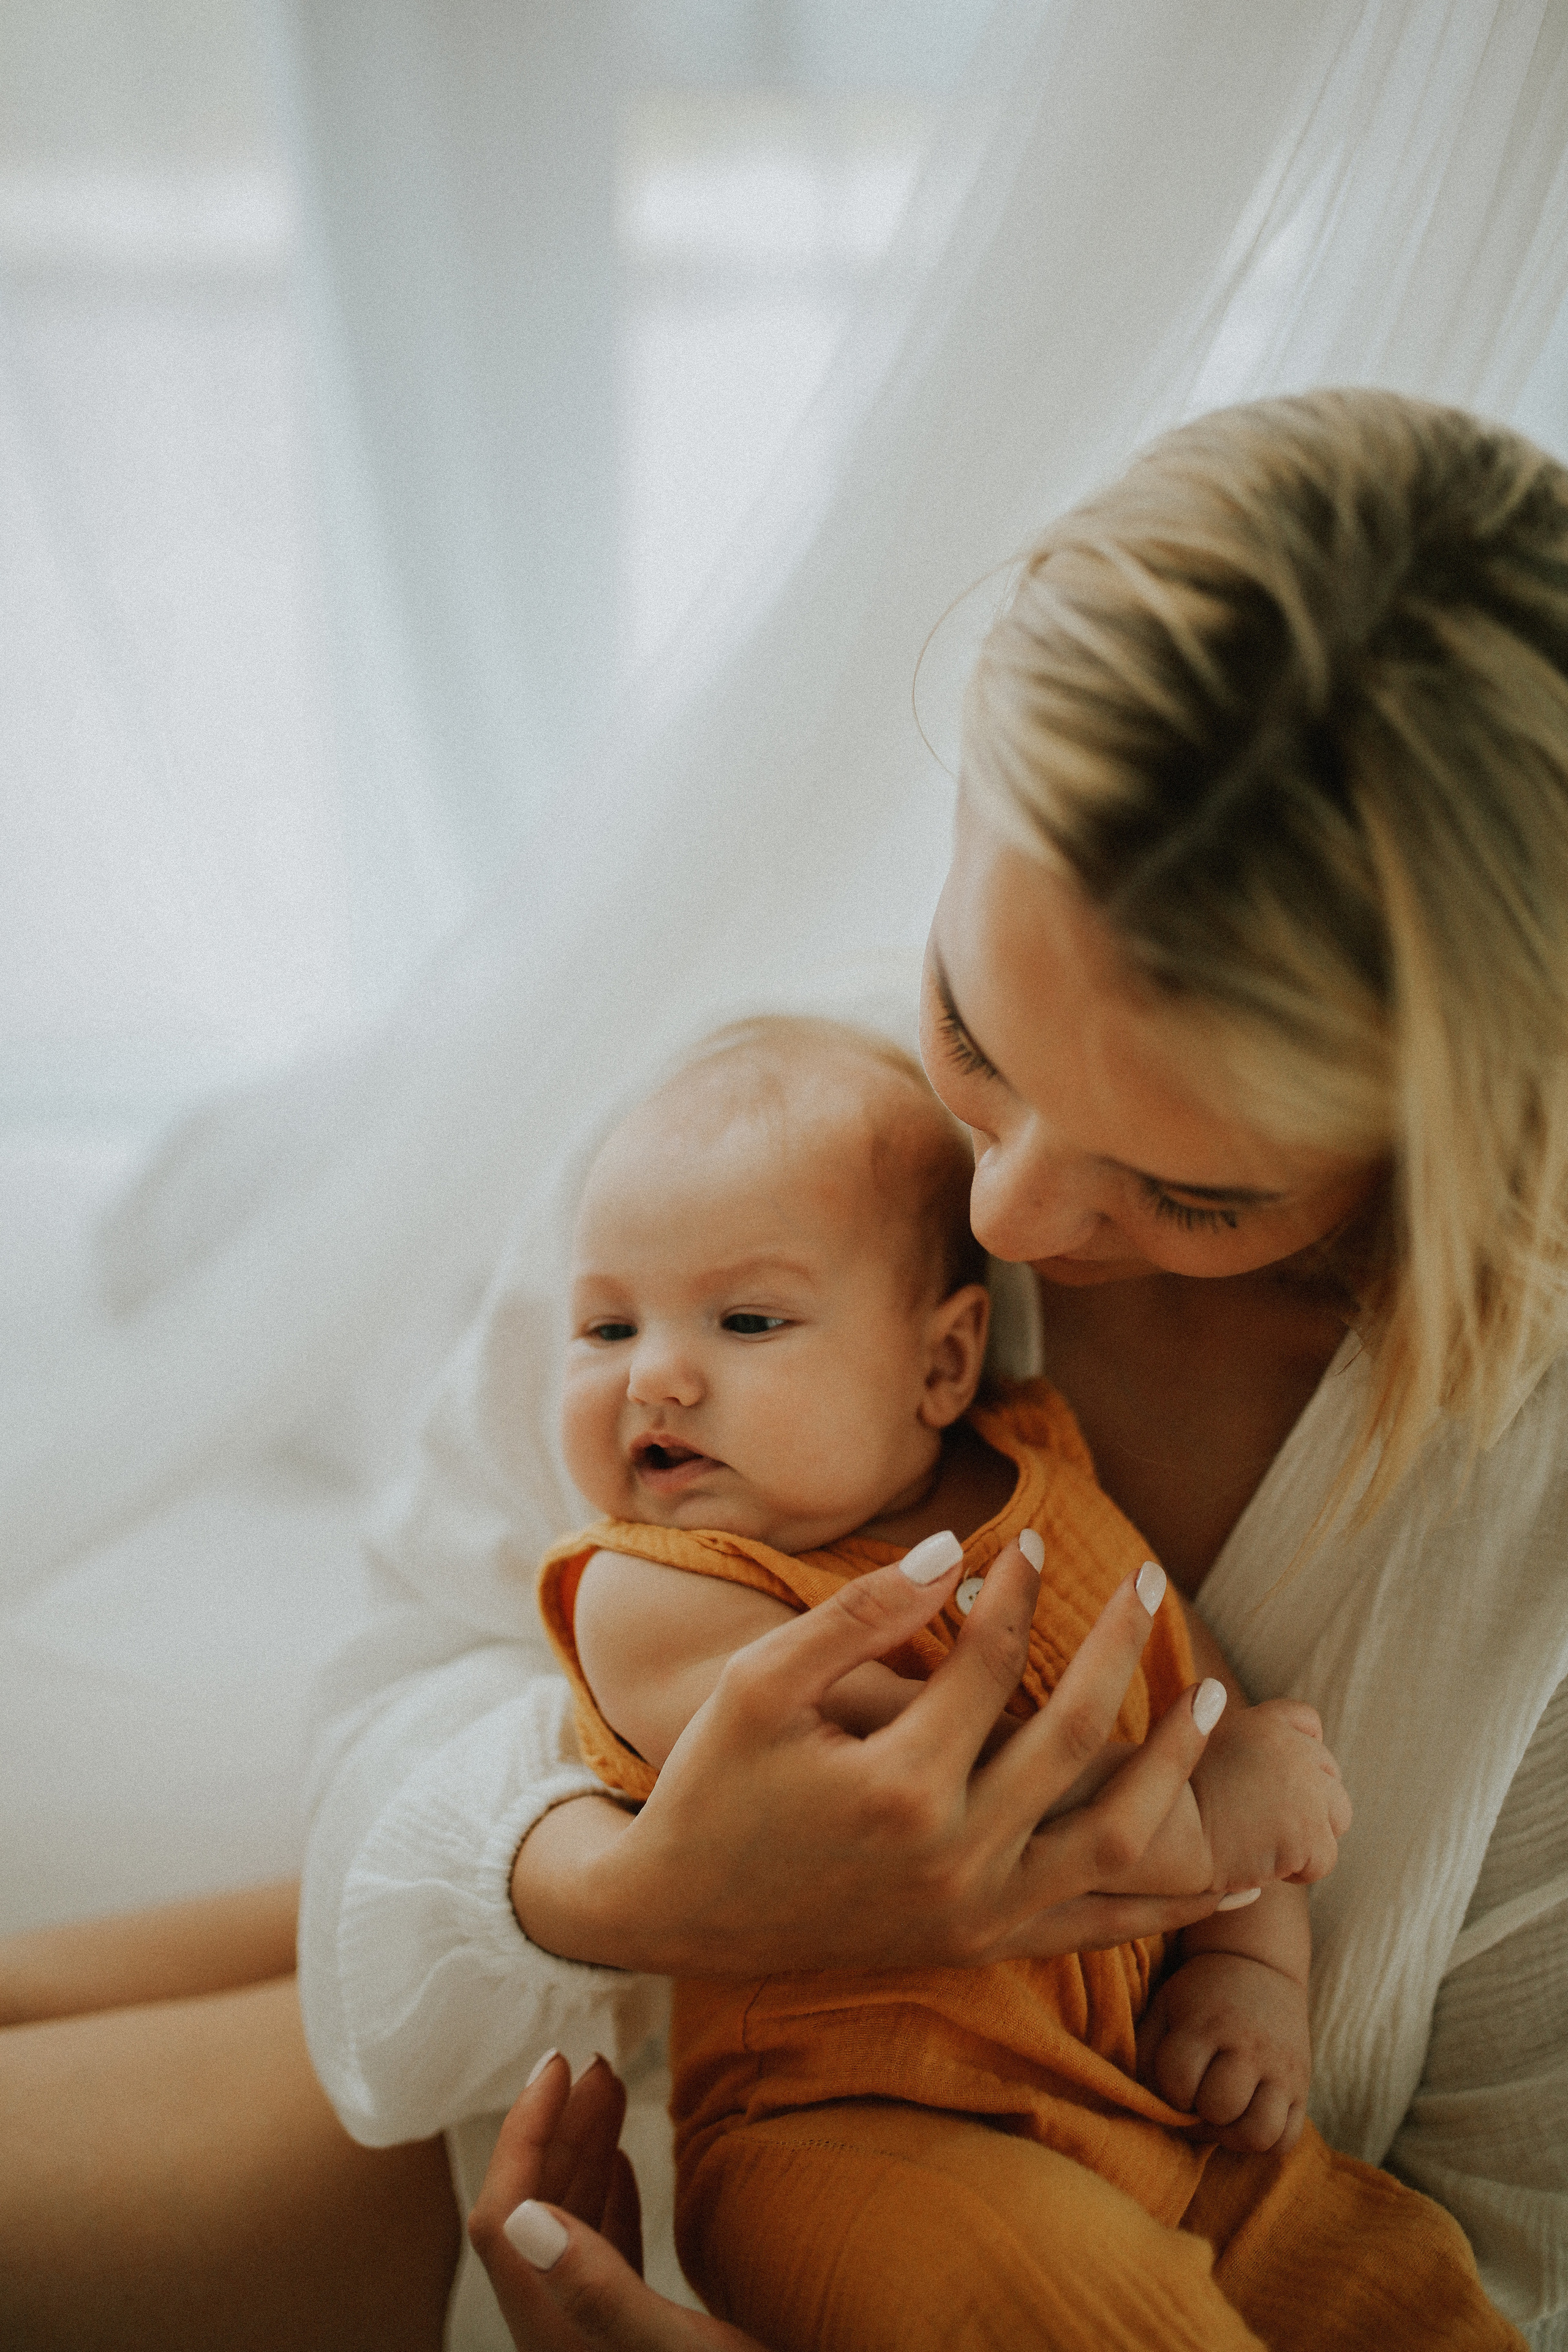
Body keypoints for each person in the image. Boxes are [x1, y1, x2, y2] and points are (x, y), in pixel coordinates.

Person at [4, 387, 1564, 2349]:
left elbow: (1502, 2268)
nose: (996, 1217)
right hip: (567, 2037)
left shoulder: (1531, 1518)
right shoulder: (773, 1125)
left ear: (1470, 1141)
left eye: (1188, 1191)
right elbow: (435, 1659)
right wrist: (622, 1895)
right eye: (972, 1030)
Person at [532, 1012, 1518, 2347]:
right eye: (602, 1328)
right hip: (851, 2138)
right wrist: (1211, 1826)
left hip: (1169, 2139)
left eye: (747, 1317)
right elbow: (918, 1785)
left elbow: (1204, 1725)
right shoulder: (648, 1589)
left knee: (1399, 2290)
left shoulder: (1049, 1476)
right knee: (1041, 2299)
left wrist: (1248, 1972)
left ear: (942, 1362)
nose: (652, 1372)